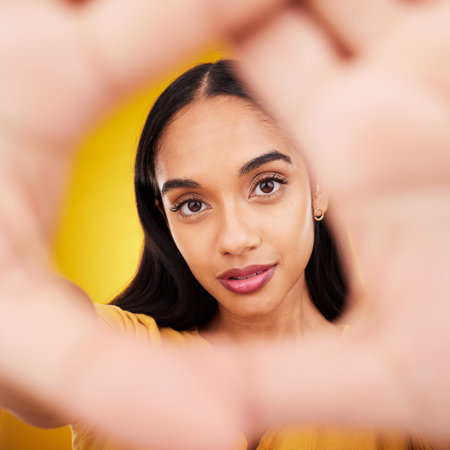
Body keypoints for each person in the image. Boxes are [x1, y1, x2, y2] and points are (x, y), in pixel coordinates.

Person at [1, 0, 450, 449]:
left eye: (267, 184)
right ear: (164, 219)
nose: (235, 239)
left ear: (319, 187)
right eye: (192, 205)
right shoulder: (124, 357)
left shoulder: (404, 377)